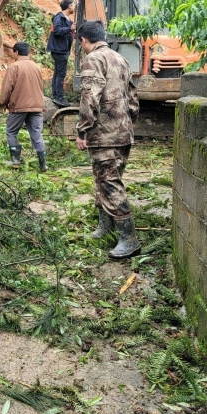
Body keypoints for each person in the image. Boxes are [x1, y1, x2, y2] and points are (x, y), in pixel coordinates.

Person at [75, 20, 141, 259]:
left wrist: (83, 129)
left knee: (109, 183)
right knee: (107, 180)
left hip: (105, 134)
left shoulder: (93, 59)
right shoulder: (120, 58)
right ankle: (106, 226)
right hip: (123, 133)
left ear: (84, 40)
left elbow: (89, 97)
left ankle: (129, 239)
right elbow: (133, 98)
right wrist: (126, 124)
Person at [0, 41, 47, 172]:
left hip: (19, 106)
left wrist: (3, 103)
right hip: (37, 106)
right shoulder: (36, 67)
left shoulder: (14, 67)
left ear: (16, 52)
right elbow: (41, 87)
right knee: (37, 134)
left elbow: (7, 88)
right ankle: (43, 164)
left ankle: (15, 161)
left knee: (11, 131)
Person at [46, 0, 76, 108]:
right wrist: (70, 28)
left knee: (57, 73)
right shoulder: (59, 17)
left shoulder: (67, 19)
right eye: (73, 5)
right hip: (59, 50)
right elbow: (57, 31)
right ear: (69, 6)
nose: (74, 7)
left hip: (62, 49)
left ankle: (56, 95)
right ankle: (59, 97)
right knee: (61, 73)